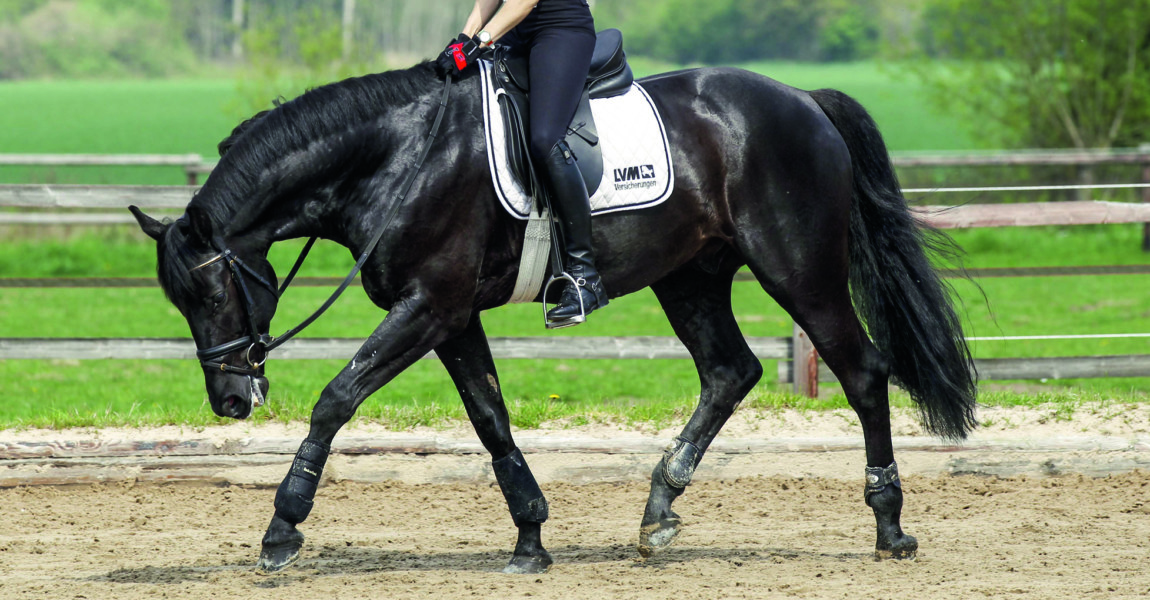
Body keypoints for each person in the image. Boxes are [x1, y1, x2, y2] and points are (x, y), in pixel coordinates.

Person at [439, 0, 609, 326]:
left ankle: (585, 276)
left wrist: (476, 44)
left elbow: (522, 1)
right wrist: (460, 41)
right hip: (514, 34)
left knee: (545, 139)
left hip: (560, 29)